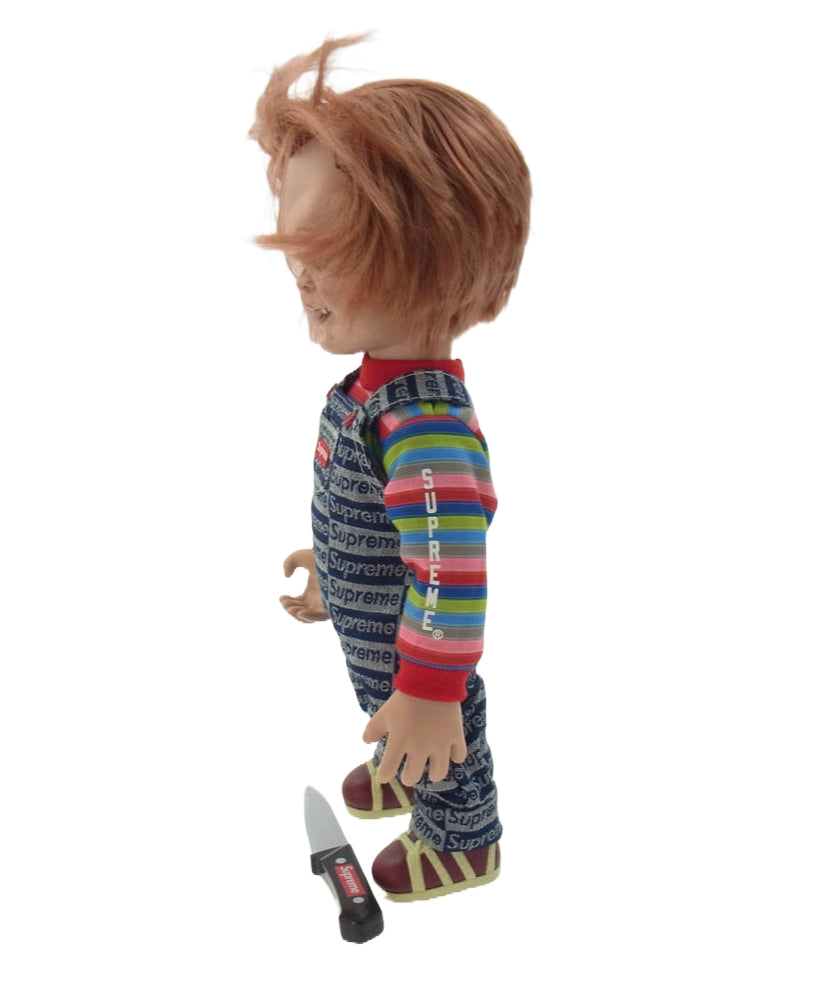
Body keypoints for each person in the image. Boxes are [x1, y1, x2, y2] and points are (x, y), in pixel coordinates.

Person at [250, 34, 531, 901]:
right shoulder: (369, 393)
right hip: (376, 630)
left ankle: (462, 835)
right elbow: (382, 517)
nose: (300, 274)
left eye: (326, 248)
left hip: (421, 656)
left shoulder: (424, 430)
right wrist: (335, 571)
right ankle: (403, 756)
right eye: (295, 245)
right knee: (387, 700)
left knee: (442, 734)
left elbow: (450, 572)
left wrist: (432, 692)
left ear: (430, 258)